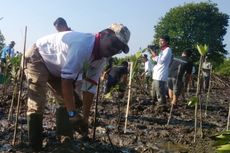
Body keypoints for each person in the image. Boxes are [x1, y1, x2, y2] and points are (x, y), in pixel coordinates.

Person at [24, 23, 130, 151]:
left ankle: (65, 141)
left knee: (68, 102)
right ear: (103, 34)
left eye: (119, 49)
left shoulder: (102, 58)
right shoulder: (83, 46)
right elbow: (67, 82)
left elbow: (90, 87)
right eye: (114, 43)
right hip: (39, 56)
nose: (114, 50)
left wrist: (85, 118)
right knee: (37, 102)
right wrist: (73, 114)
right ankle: (35, 146)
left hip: (57, 66)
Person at [151, 35, 172, 105]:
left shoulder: (168, 50)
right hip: (156, 74)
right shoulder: (162, 51)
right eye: (159, 41)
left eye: (162, 41)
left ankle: (162, 104)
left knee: (160, 91)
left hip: (161, 74)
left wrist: (154, 54)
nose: (160, 42)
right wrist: (153, 53)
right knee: (154, 91)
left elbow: (161, 61)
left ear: (167, 42)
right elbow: (155, 59)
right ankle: (154, 103)